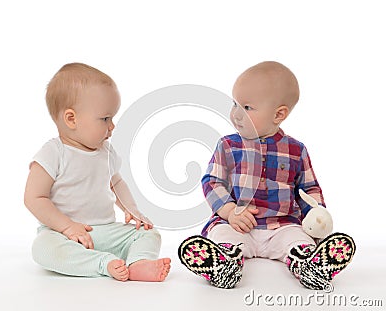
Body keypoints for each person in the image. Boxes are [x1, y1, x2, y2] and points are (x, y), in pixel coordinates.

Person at [178, 61, 355, 290]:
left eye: (247, 108)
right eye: (235, 104)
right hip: (238, 225)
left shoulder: (296, 150)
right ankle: (225, 263)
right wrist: (230, 211)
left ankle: (310, 265)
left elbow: (308, 189)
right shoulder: (228, 145)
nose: (236, 114)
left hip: (282, 225)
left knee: (298, 240)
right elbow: (212, 181)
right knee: (223, 234)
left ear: (279, 114)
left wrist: (316, 215)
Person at [24, 63, 170, 282]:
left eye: (112, 118)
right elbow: (34, 198)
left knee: (148, 233)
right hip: (62, 234)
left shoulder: (106, 152)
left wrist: (131, 209)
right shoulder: (54, 152)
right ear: (71, 119)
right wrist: (67, 226)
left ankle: (137, 263)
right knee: (43, 248)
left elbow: (116, 183)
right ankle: (103, 264)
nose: (112, 126)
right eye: (105, 119)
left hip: (104, 231)